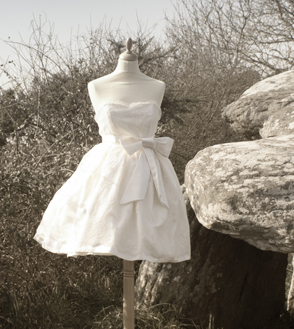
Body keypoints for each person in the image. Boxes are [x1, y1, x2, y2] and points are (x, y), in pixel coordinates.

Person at [34, 40, 190, 263]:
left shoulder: (157, 86)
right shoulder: (96, 86)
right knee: (107, 221)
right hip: (108, 167)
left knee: (147, 225)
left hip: (150, 165)